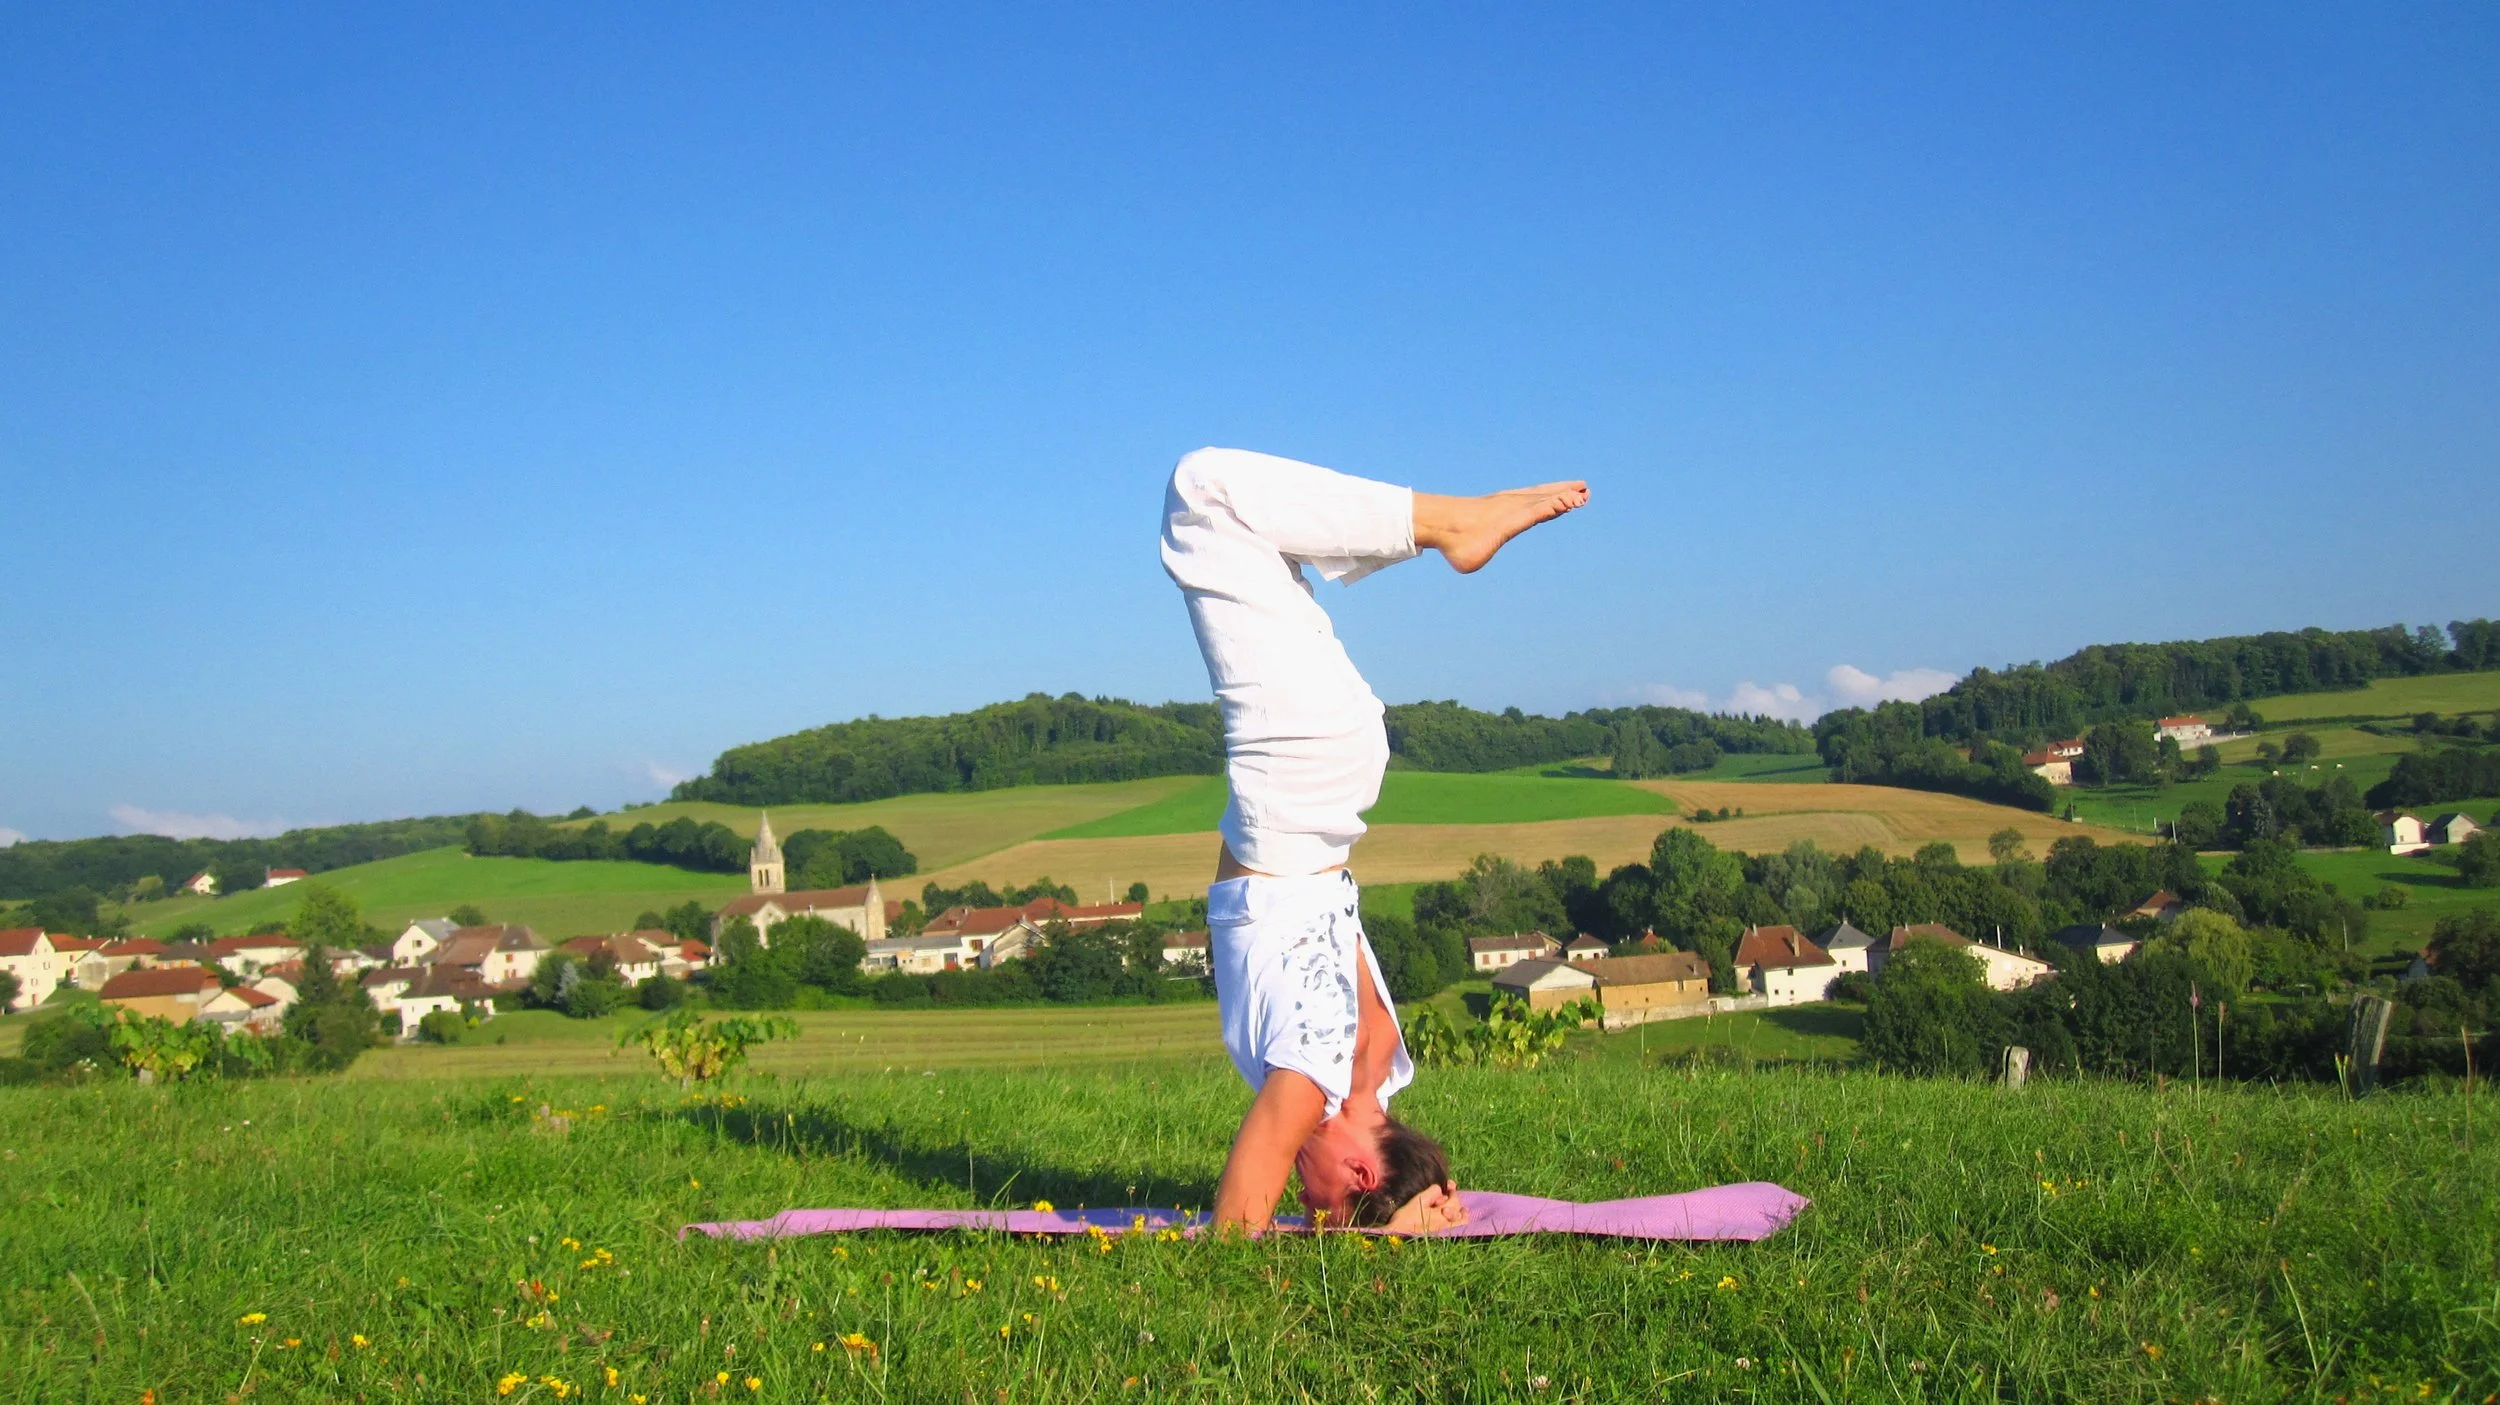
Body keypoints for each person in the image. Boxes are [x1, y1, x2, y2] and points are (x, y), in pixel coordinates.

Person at [1160, 447, 1589, 1233]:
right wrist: (1383, 1214)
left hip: (1328, 790)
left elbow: (1336, 924)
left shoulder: (1375, 1056)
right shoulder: (1317, 1070)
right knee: (1204, 495)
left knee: (1244, 526)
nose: (1303, 1196)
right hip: (1298, 781)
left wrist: (1422, 1192)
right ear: (1361, 1170)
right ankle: (1451, 523)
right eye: (1321, 1203)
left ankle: (1447, 523)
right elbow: (1235, 1225)